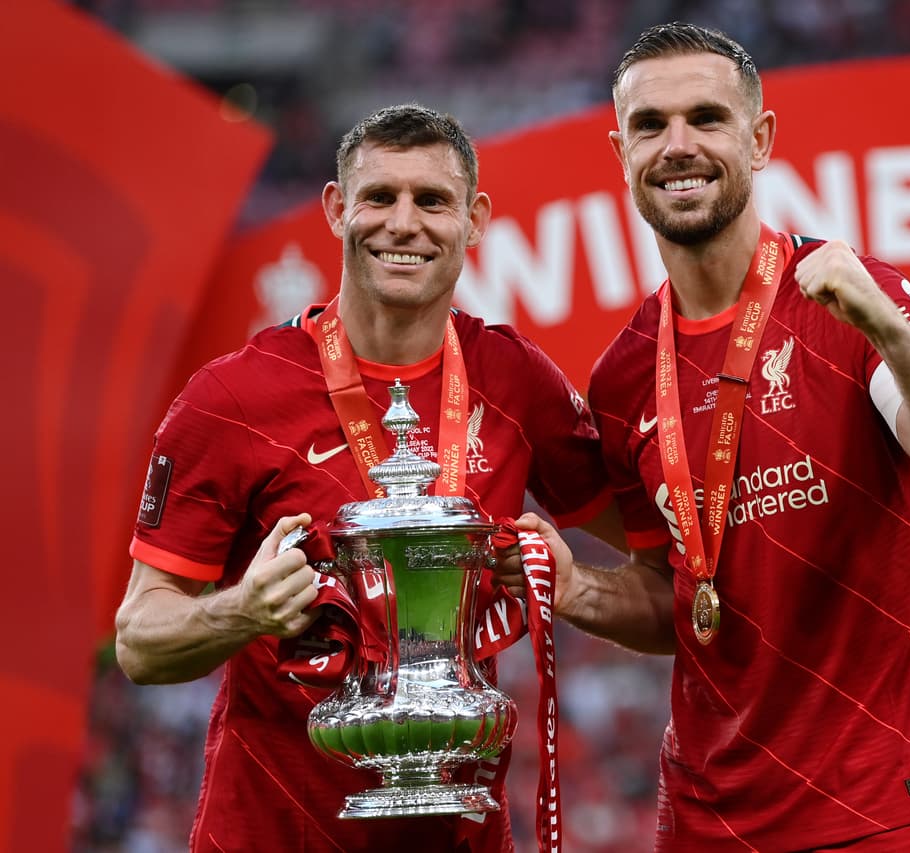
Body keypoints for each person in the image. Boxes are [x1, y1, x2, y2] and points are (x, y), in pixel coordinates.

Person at [504, 22, 910, 852]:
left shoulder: (853, 301)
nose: (678, 146)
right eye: (650, 125)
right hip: (711, 823)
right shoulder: (626, 377)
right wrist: (576, 592)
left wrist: (889, 331)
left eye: (707, 118)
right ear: (620, 149)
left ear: (761, 138)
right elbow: (678, 598)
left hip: (887, 809)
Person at [115, 103, 623, 853]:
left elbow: (656, 554)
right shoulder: (232, 399)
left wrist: (572, 585)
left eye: (433, 200)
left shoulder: (516, 382)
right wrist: (243, 611)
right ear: (335, 208)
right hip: (271, 833)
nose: (404, 223)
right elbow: (139, 640)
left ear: (475, 218)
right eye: (380, 197)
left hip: (462, 835)